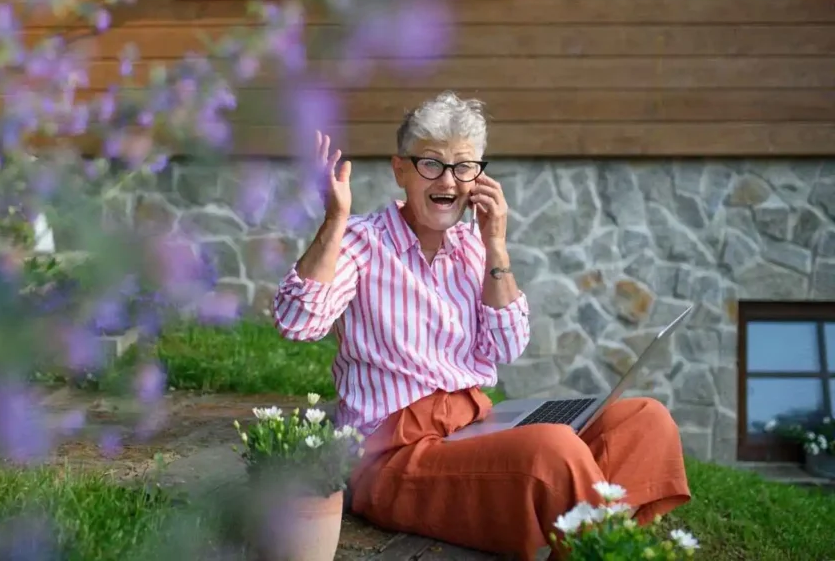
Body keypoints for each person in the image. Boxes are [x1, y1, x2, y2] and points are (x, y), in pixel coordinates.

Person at [271, 91, 691, 560]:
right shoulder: (362, 241)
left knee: (644, 420)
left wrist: (497, 245)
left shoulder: (474, 248)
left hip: (473, 429)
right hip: (392, 455)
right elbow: (297, 323)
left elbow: (508, 346)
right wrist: (334, 219)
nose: (448, 179)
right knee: (550, 451)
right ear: (400, 170)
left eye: (464, 166)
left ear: (478, 176)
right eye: (431, 163)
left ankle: (583, 544)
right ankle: (604, 545)